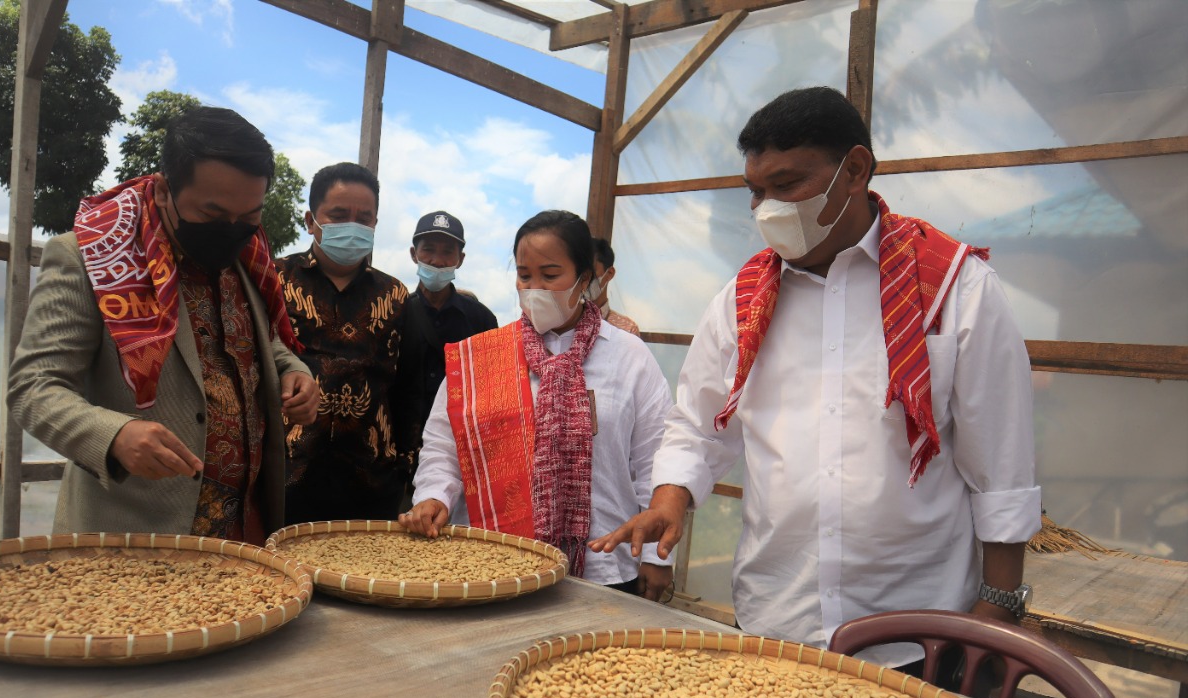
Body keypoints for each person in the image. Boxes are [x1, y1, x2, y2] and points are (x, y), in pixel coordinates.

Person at [593, 87, 1041, 664]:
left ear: (853, 170)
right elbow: (698, 427)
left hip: (918, 631)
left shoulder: (954, 289)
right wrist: (671, 499)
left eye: (787, 185)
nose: (767, 209)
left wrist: (998, 605)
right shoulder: (742, 302)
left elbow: (1000, 463)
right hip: (776, 620)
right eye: (755, 192)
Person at [8, 106, 318, 545]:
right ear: (163, 190)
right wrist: (114, 435)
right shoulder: (90, 260)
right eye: (212, 215)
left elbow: (266, 346)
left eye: (249, 219)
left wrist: (296, 373)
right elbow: (32, 389)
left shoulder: (249, 264)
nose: (231, 231)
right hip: (134, 539)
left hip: (245, 534)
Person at [399, 210, 675, 598]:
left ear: (584, 279)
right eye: (524, 275)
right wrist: (434, 495)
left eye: (549, 275)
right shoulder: (482, 357)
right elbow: (446, 445)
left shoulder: (629, 357)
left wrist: (657, 556)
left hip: (605, 563)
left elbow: (654, 462)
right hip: (493, 563)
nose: (534, 288)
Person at [276, 163, 424, 524]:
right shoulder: (274, 280)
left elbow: (409, 386)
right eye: (339, 215)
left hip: (373, 482)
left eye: (364, 218)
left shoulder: (396, 295)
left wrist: (405, 466)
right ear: (311, 220)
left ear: (375, 224)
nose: (353, 227)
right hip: (285, 474)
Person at [402, 211, 498, 429]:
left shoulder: (482, 320)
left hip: (457, 445)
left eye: (447, 252)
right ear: (413, 254)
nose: (437, 260)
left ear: (460, 259)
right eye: (428, 249)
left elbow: (490, 389)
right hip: (402, 448)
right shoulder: (395, 313)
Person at [586, 237, 640, 335]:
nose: (584, 279)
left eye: (591, 272)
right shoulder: (561, 325)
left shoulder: (626, 330)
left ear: (609, 273)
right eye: (579, 273)